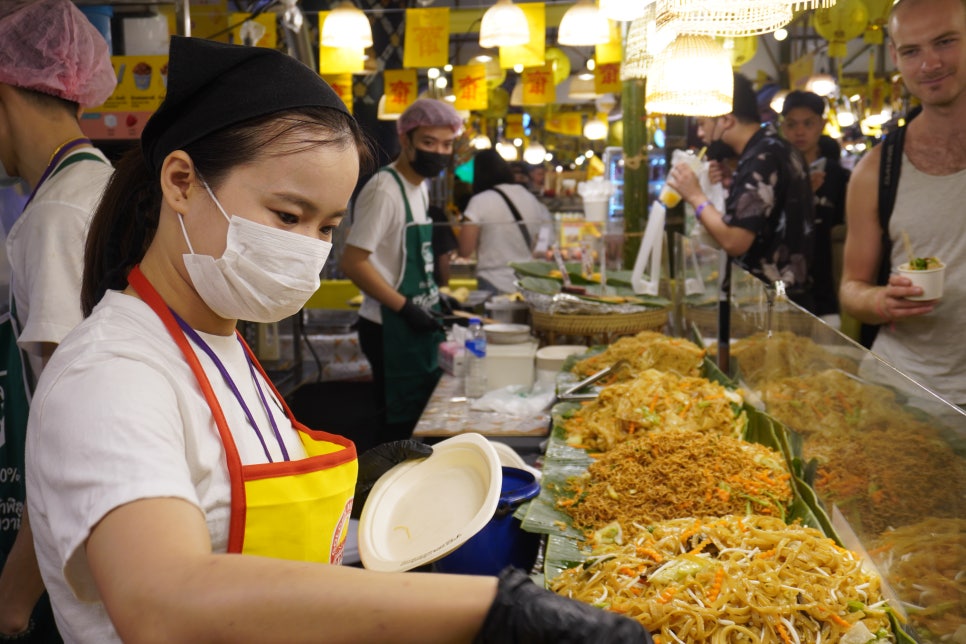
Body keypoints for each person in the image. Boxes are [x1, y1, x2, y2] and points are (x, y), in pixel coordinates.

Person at [23, 36, 651, 643]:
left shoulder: (221, 343)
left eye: (326, 225)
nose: (308, 249)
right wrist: (492, 608)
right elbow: (164, 603)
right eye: (287, 216)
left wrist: (371, 509)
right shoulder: (110, 375)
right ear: (181, 182)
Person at [0, 0, 116, 639]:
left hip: (78, 550)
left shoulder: (54, 218)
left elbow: (65, 442)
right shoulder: (97, 184)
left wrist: (12, 599)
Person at [839, 0, 966, 406]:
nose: (930, 64)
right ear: (895, 56)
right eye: (912, 51)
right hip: (900, 394)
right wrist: (881, 301)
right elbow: (851, 288)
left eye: (945, 42)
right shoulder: (877, 170)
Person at [340, 98, 460, 443]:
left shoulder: (419, 188)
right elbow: (353, 261)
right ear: (406, 141)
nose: (439, 151)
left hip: (413, 322)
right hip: (386, 326)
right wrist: (404, 307)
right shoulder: (384, 190)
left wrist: (436, 297)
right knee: (397, 426)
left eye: (447, 144)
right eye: (428, 142)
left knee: (419, 418)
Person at [667, 73, 816, 311]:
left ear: (725, 120)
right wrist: (730, 183)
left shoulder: (761, 159)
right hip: (784, 300)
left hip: (771, 306)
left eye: (703, 124)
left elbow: (734, 240)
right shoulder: (774, 148)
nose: (702, 134)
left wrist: (694, 195)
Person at [780, 90, 851, 320]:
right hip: (782, 292)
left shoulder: (838, 175)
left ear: (821, 125)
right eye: (792, 124)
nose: (799, 131)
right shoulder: (776, 173)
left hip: (827, 288)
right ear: (783, 127)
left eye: (808, 123)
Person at [458, 149, 553, 293]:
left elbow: (465, 250)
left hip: (491, 281)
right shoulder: (531, 199)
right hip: (525, 283)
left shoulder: (479, 201)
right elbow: (539, 244)